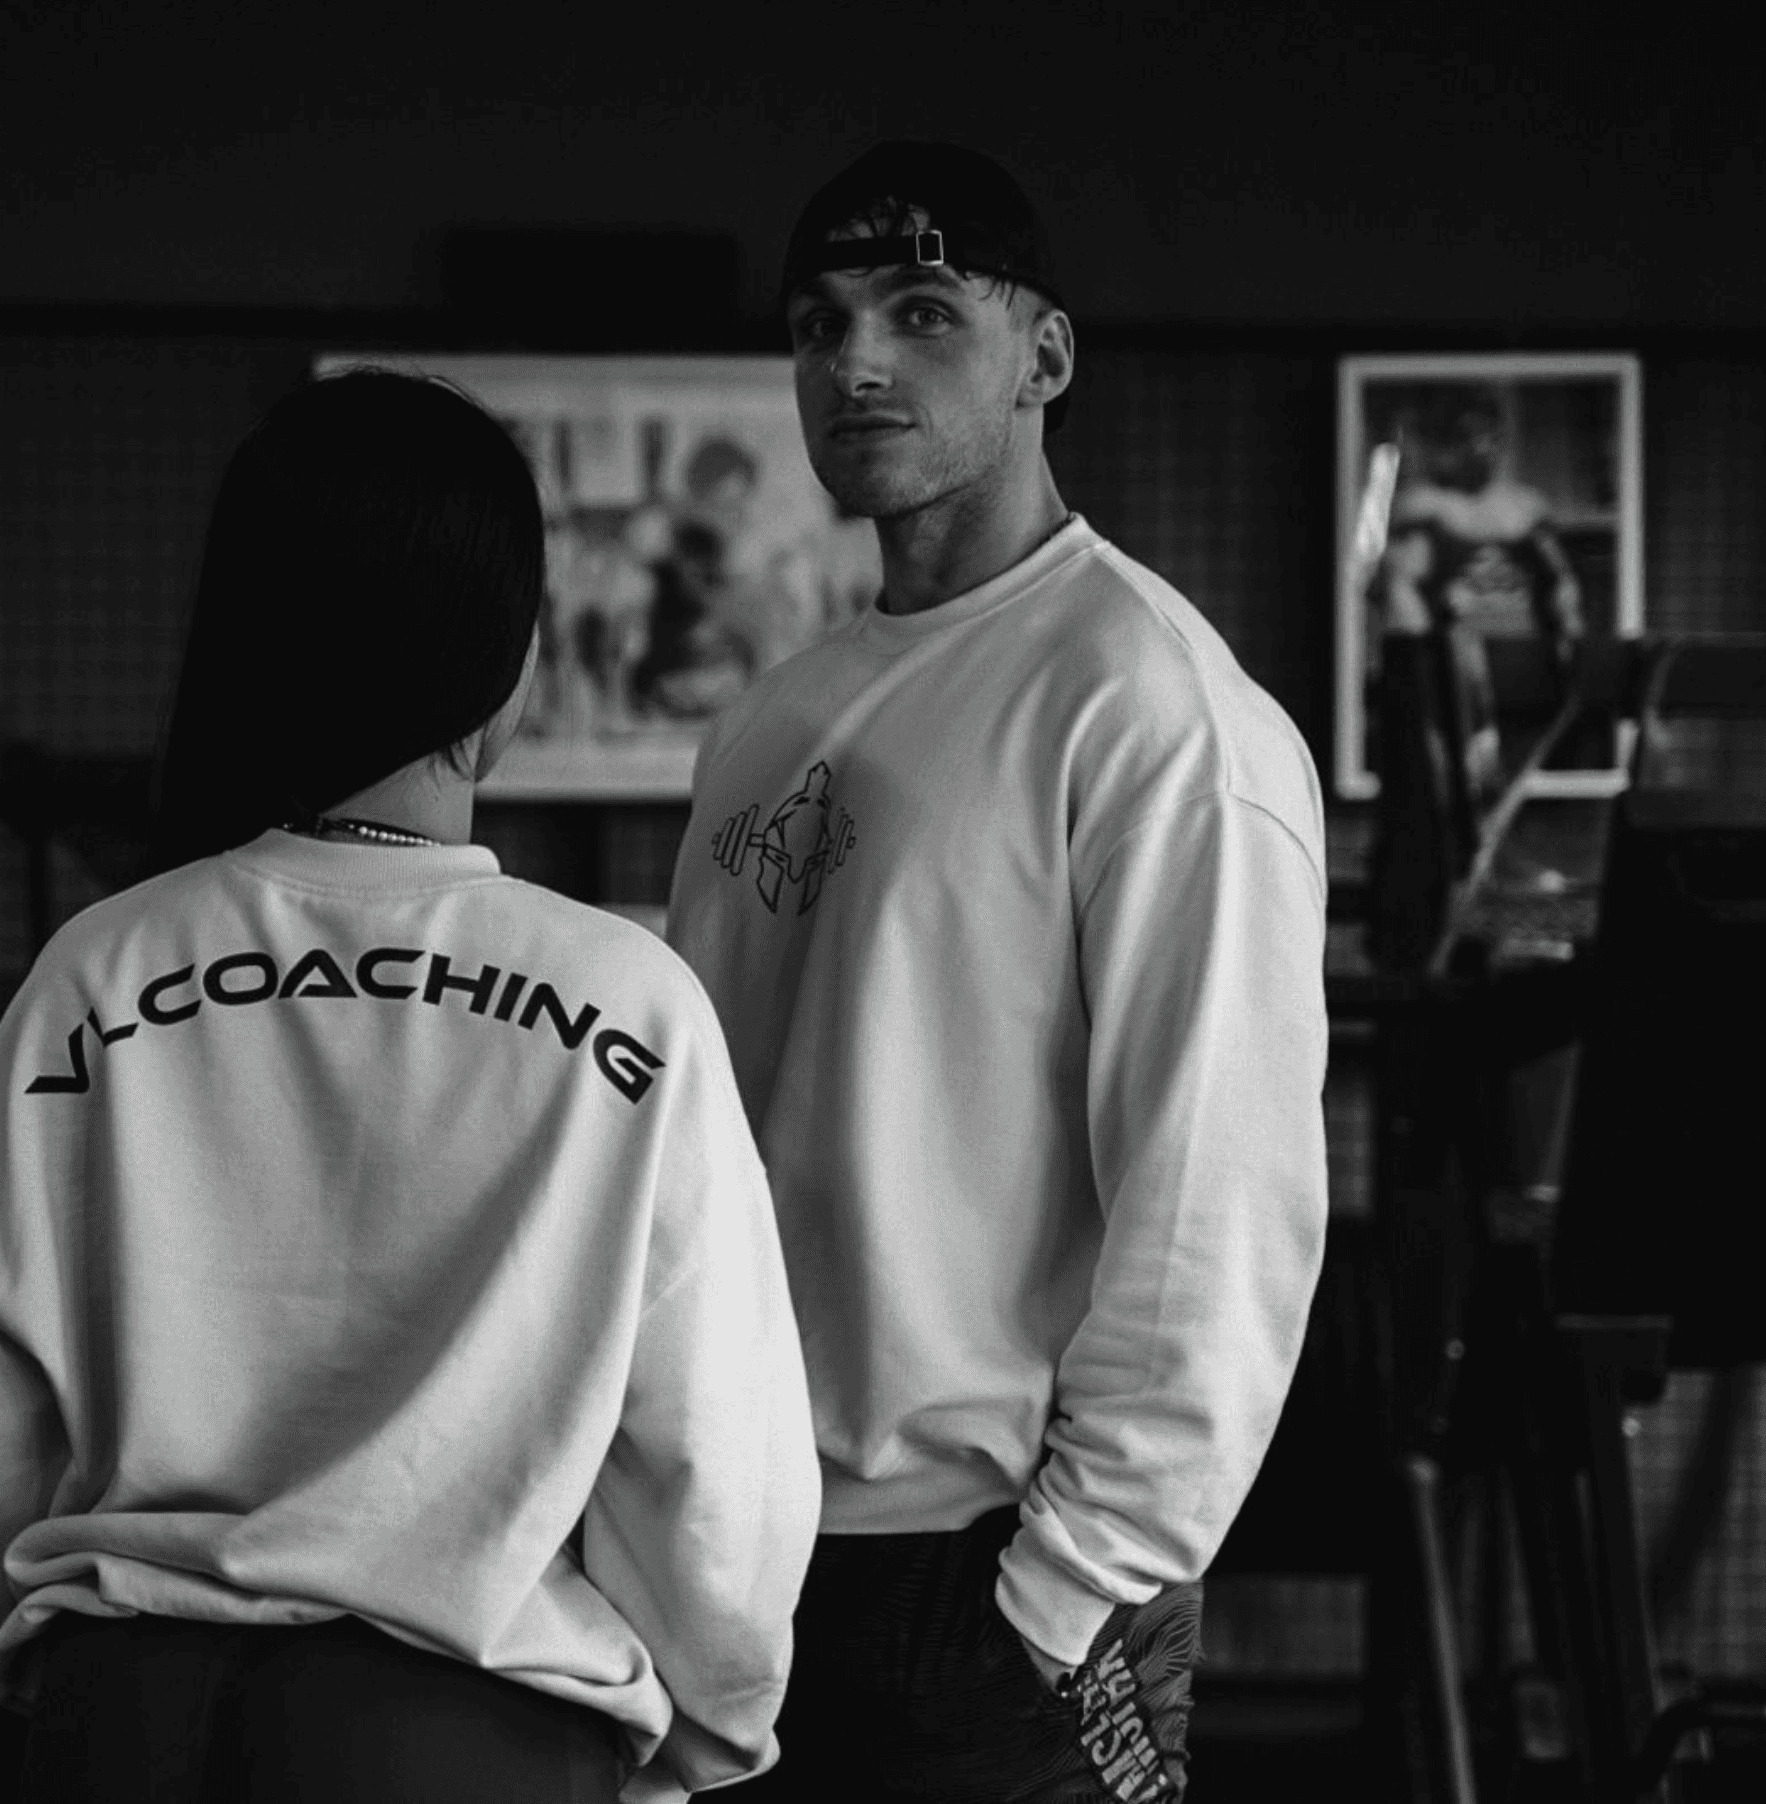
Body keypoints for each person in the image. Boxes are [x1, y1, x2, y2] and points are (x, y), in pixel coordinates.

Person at [0, 369, 821, 1804]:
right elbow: (715, 1461)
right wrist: (702, 1730)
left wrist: (44, 1669)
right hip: (471, 1739)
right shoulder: (621, 1001)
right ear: (511, 659)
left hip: (121, 1722)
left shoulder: (93, 976)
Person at [667, 143, 1331, 1801]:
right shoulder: (774, 716)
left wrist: (1069, 1584)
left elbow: (1218, 1196)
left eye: (919, 311)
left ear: (1045, 357)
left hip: (998, 1575)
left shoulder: (1150, 706)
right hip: (740, 1553)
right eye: (818, 324)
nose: (855, 361)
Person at [1375, 384, 1588, 800]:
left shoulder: (1527, 506)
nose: (1481, 447)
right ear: (1444, 442)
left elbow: (1562, 586)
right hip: (1457, 676)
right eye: (1467, 435)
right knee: (1461, 789)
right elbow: (1402, 599)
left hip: (1529, 670)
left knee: (1526, 786)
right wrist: (1424, 677)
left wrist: (1573, 644)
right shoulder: (1422, 507)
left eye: (1489, 435)